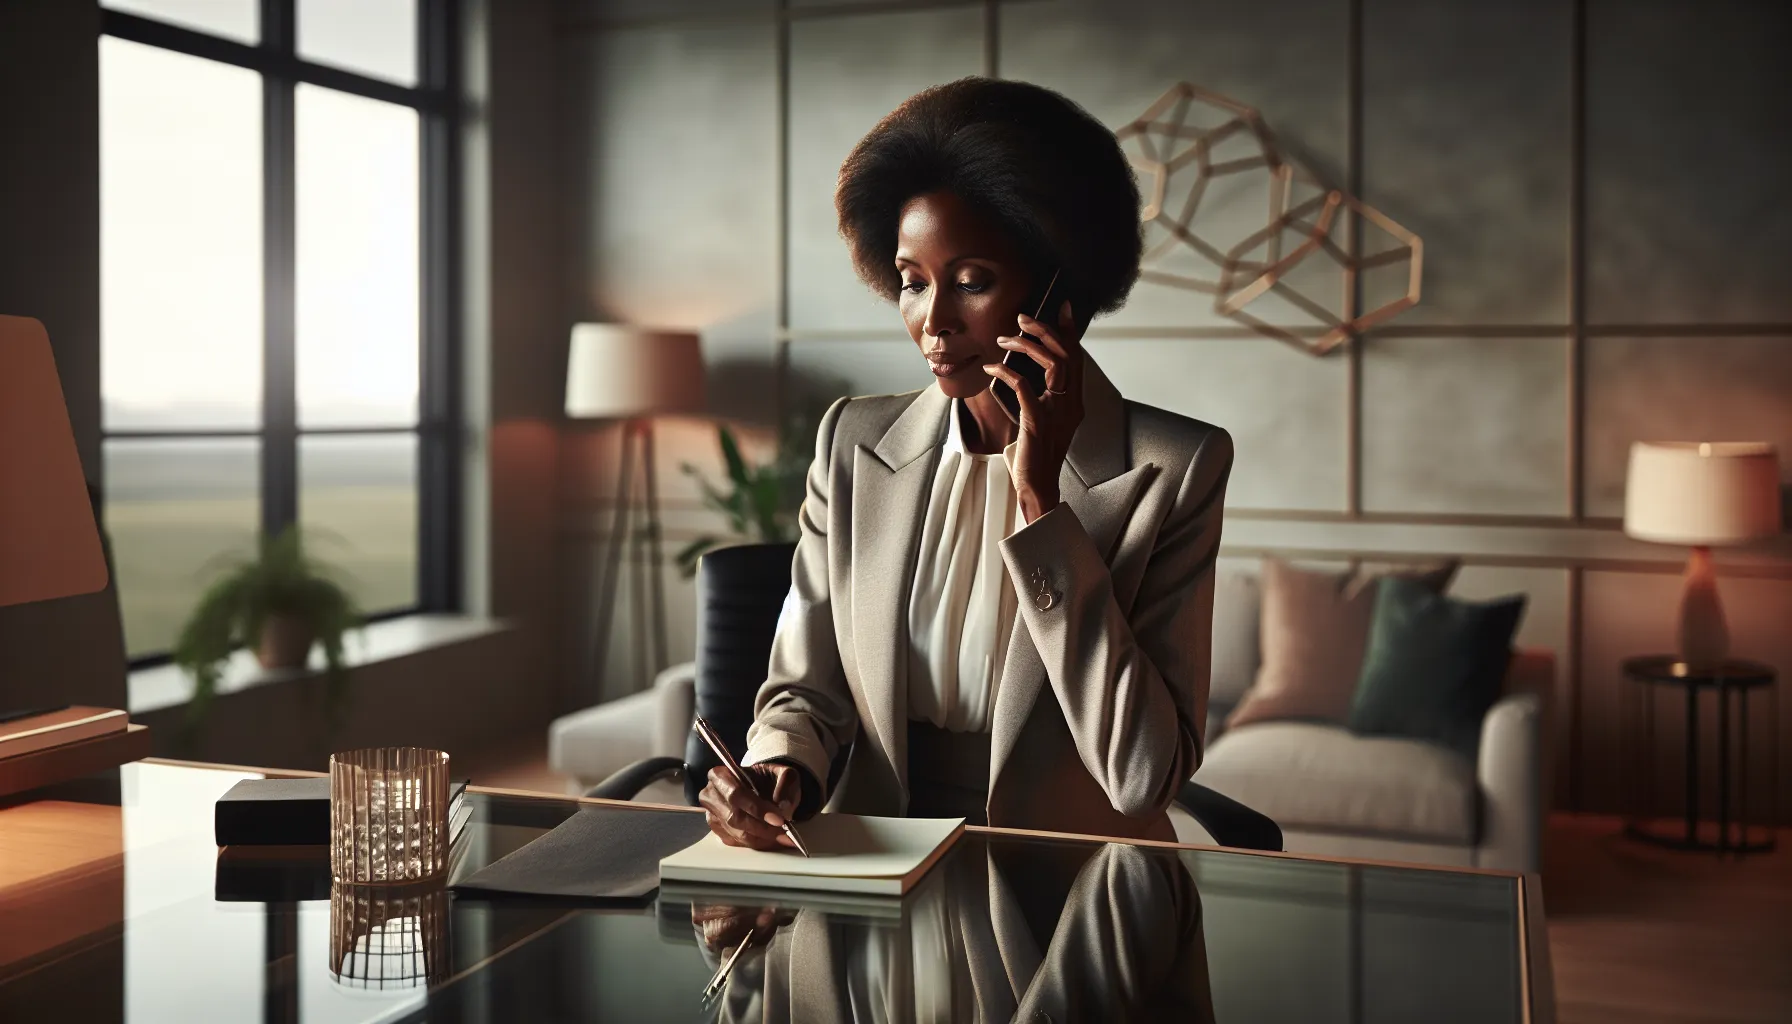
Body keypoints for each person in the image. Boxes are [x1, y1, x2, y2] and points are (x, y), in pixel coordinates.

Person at [699, 76, 1233, 845]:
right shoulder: (853, 444)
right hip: (876, 874)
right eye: (913, 283)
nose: (934, 322)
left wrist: (1042, 503)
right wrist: (777, 768)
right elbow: (804, 693)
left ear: (1061, 294)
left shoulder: (1172, 470)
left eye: (972, 282)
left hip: (1073, 896)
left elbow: (1142, 774)